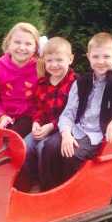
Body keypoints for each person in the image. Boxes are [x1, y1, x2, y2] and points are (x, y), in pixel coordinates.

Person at [41, 32, 112, 190]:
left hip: (97, 134)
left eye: (106, 57)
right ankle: (48, 188)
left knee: (71, 154)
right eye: (96, 57)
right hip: (77, 129)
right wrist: (66, 134)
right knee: (50, 146)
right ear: (88, 57)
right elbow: (68, 113)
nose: (101, 62)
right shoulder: (80, 83)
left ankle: (69, 193)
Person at [20, 37, 76, 190]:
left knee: (43, 147)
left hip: (63, 128)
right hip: (44, 126)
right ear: (44, 61)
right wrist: (36, 122)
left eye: (59, 60)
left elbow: (73, 112)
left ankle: (48, 186)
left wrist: (51, 126)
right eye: (50, 61)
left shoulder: (75, 83)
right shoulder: (42, 83)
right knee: (25, 145)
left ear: (70, 59)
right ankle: (34, 180)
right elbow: (38, 107)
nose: (54, 65)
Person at [0, 22, 40, 137]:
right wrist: (1, 116)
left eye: (28, 44)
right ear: (8, 43)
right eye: (17, 42)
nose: (22, 47)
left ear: (36, 48)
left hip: (30, 118)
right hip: (5, 116)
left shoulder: (41, 69)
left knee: (11, 138)